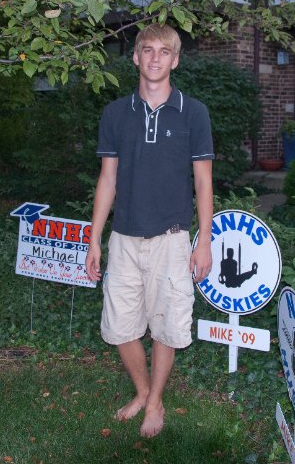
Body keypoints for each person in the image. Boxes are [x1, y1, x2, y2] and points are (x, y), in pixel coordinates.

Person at [85, 23, 214, 438]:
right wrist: (94, 238)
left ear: (175, 60)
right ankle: (142, 391)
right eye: (147, 50)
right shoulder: (115, 114)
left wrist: (204, 241)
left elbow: (203, 183)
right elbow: (107, 179)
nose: (155, 57)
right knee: (120, 326)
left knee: (166, 326)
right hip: (123, 237)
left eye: (164, 51)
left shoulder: (193, 112)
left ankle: (155, 401)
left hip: (172, 238)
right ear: (136, 58)